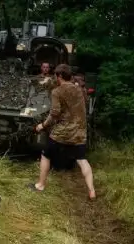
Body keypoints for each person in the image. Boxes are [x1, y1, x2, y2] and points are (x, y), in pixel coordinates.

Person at [28, 64, 96, 200]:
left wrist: (42, 125)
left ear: (59, 76)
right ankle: (92, 191)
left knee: (46, 155)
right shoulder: (79, 89)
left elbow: (54, 113)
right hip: (80, 132)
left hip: (62, 133)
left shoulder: (57, 92)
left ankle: (40, 185)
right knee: (82, 160)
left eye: (55, 76)